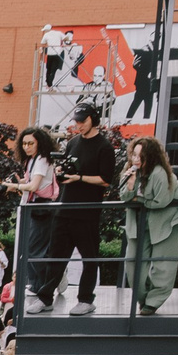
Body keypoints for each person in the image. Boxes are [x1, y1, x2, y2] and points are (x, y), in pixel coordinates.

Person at [42, 104, 118, 315]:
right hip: (65, 208)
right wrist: (61, 171)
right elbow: (68, 167)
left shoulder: (104, 147)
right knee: (56, 256)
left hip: (87, 212)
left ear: (93, 120)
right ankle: (45, 297)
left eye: (82, 121)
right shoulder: (73, 142)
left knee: (89, 257)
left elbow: (105, 180)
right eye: (77, 121)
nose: (79, 125)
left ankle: (85, 299)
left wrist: (80, 178)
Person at [120, 136, 178, 314]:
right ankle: (144, 298)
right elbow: (124, 197)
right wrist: (130, 184)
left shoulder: (160, 173)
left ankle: (153, 302)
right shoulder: (130, 170)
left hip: (168, 220)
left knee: (163, 265)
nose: (135, 159)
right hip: (142, 221)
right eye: (133, 154)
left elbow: (161, 202)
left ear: (150, 157)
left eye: (140, 156)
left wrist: (140, 199)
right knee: (132, 263)